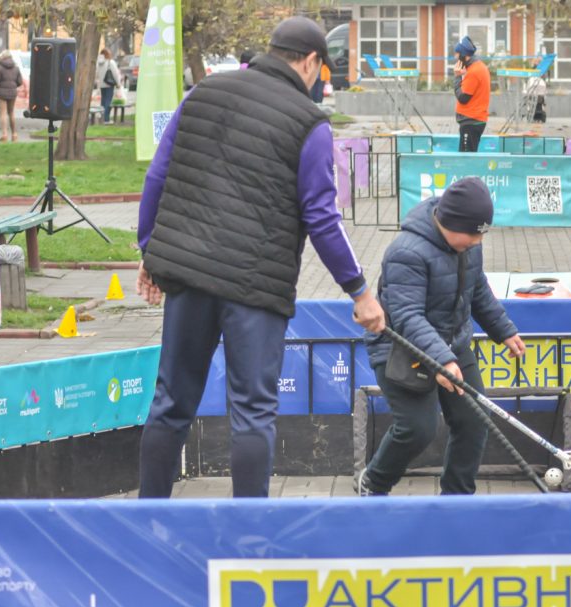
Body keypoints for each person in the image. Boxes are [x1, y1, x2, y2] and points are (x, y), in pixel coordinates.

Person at [135, 16, 385, 499]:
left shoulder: (202, 94)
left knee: (170, 403)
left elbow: (158, 177)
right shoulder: (309, 124)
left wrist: (151, 251)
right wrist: (359, 290)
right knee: (252, 413)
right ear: (309, 62)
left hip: (189, 276)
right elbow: (322, 218)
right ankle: (250, 530)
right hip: (254, 289)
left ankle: (149, 519)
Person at [359, 178, 524, 496]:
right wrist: (442, 361)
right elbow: (407, 317)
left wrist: (504, 330)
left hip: (451, 343)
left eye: (482, 233)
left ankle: (457, 499)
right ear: (450, 223)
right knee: (418, 429)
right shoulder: (405, 253)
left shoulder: (468, 244)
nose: (478, 241)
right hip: (401, 348)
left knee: (474, 419)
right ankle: (375, 482)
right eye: (474, 233)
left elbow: (477, 289)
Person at [452, 36, 490, 152]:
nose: (455, 57)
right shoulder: (477, 67)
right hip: (473, 121)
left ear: (464, 55)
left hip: (471, 121)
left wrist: (457, 77)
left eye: (457, 54)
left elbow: (463, 97)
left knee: (466, 158)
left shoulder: (474, 71)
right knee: (468, 156)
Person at [0, 50, 24, 142]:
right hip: (12, 92)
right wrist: (13, 86)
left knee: (3, 113)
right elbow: (20, 81)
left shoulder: (0, 68)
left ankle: (4, 134)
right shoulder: (16, 68)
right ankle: (14, 134)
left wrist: (0, 85)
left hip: (1, 93)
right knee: (11, 112)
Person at [95, 48, 123, 124]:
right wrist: (118, 84)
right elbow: (116, 74)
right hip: (109, 84)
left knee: (103, 101)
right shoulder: (110, 62)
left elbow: (96, 74)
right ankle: (106, 119)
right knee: (108, 102)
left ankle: (102, 118)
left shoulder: (98, 63)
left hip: (102, 85)